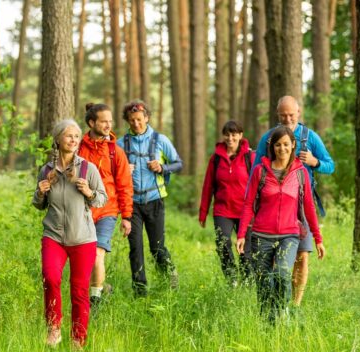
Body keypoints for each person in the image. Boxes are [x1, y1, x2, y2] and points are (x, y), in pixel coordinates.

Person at [237, 126, 326, 322]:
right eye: (278, 144)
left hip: (289, 235)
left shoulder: (300, 173)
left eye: (286, 144)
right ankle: (266, 322)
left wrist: (318, 238)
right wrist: (242, 234)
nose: (282, 148)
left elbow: (309, 208)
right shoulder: (260, 171)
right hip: (261, 234)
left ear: (293, 145)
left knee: (282, 274)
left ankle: (282, 313)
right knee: (263, 281)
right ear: (272, 147)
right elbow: (248, 204)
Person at [32, 119, 108, 348]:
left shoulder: (87, 168)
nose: (74, 140)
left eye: (76, 136)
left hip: (82, 238)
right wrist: (40, 192)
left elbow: (103, 199)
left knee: (79, 290)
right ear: (58, 139)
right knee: (51, 278)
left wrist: (89, 192)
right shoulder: (46, 170)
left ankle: (78, 339)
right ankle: (54, 329)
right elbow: (38, 204)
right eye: (69, 136)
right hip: (54, 236)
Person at [254, 95, 334, 307]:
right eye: (283, 115)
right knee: (274, 259)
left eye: (291, 114)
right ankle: (274, 300)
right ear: (278, 115)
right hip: (273, 206)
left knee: (302, 257)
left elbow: (330, 165)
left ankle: (295, 305)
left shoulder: (311, 137)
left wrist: (315, 162)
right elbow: (255, 170)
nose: (288, 118)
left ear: (298, 113)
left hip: (301, 207)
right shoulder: (269, 137)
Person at [117, 99, 183, 296]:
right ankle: (140, 291)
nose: (136, 124)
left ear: (146, 117)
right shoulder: (121, 144)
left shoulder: (160, 140)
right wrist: (122, 171)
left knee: (157, 247)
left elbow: (178, 164)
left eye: (139, 119)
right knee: (135, 248)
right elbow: (112, 173)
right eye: (131, 120)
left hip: (155, 200)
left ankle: (170, 279)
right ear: (127, 121)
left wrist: (162, 167)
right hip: (132, 204)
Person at [78, 103, 134, 307]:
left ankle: (95, 300)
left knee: (96, 253)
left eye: (110, 121)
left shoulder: (115, 152)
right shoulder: (78, 148)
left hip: (107, 211)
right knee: (84, 257)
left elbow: (125, 185)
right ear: (92, 122)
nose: (108, 125)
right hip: (81, 211)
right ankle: (100, 287)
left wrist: (126, 217)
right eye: (103, 121)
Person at [198, 120, 255, 286]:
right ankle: (232, 279)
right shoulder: (216, 159)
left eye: (234, 134)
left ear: (240, 135)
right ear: (223, 136)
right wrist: (203, 212)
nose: (230, 138)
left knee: (246, 248)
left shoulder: (250, 157)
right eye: (227, 134)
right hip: (223, 210)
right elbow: (208, 186)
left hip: (246, 210)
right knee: (222, 242)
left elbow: (258, 184)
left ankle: (247, 280)